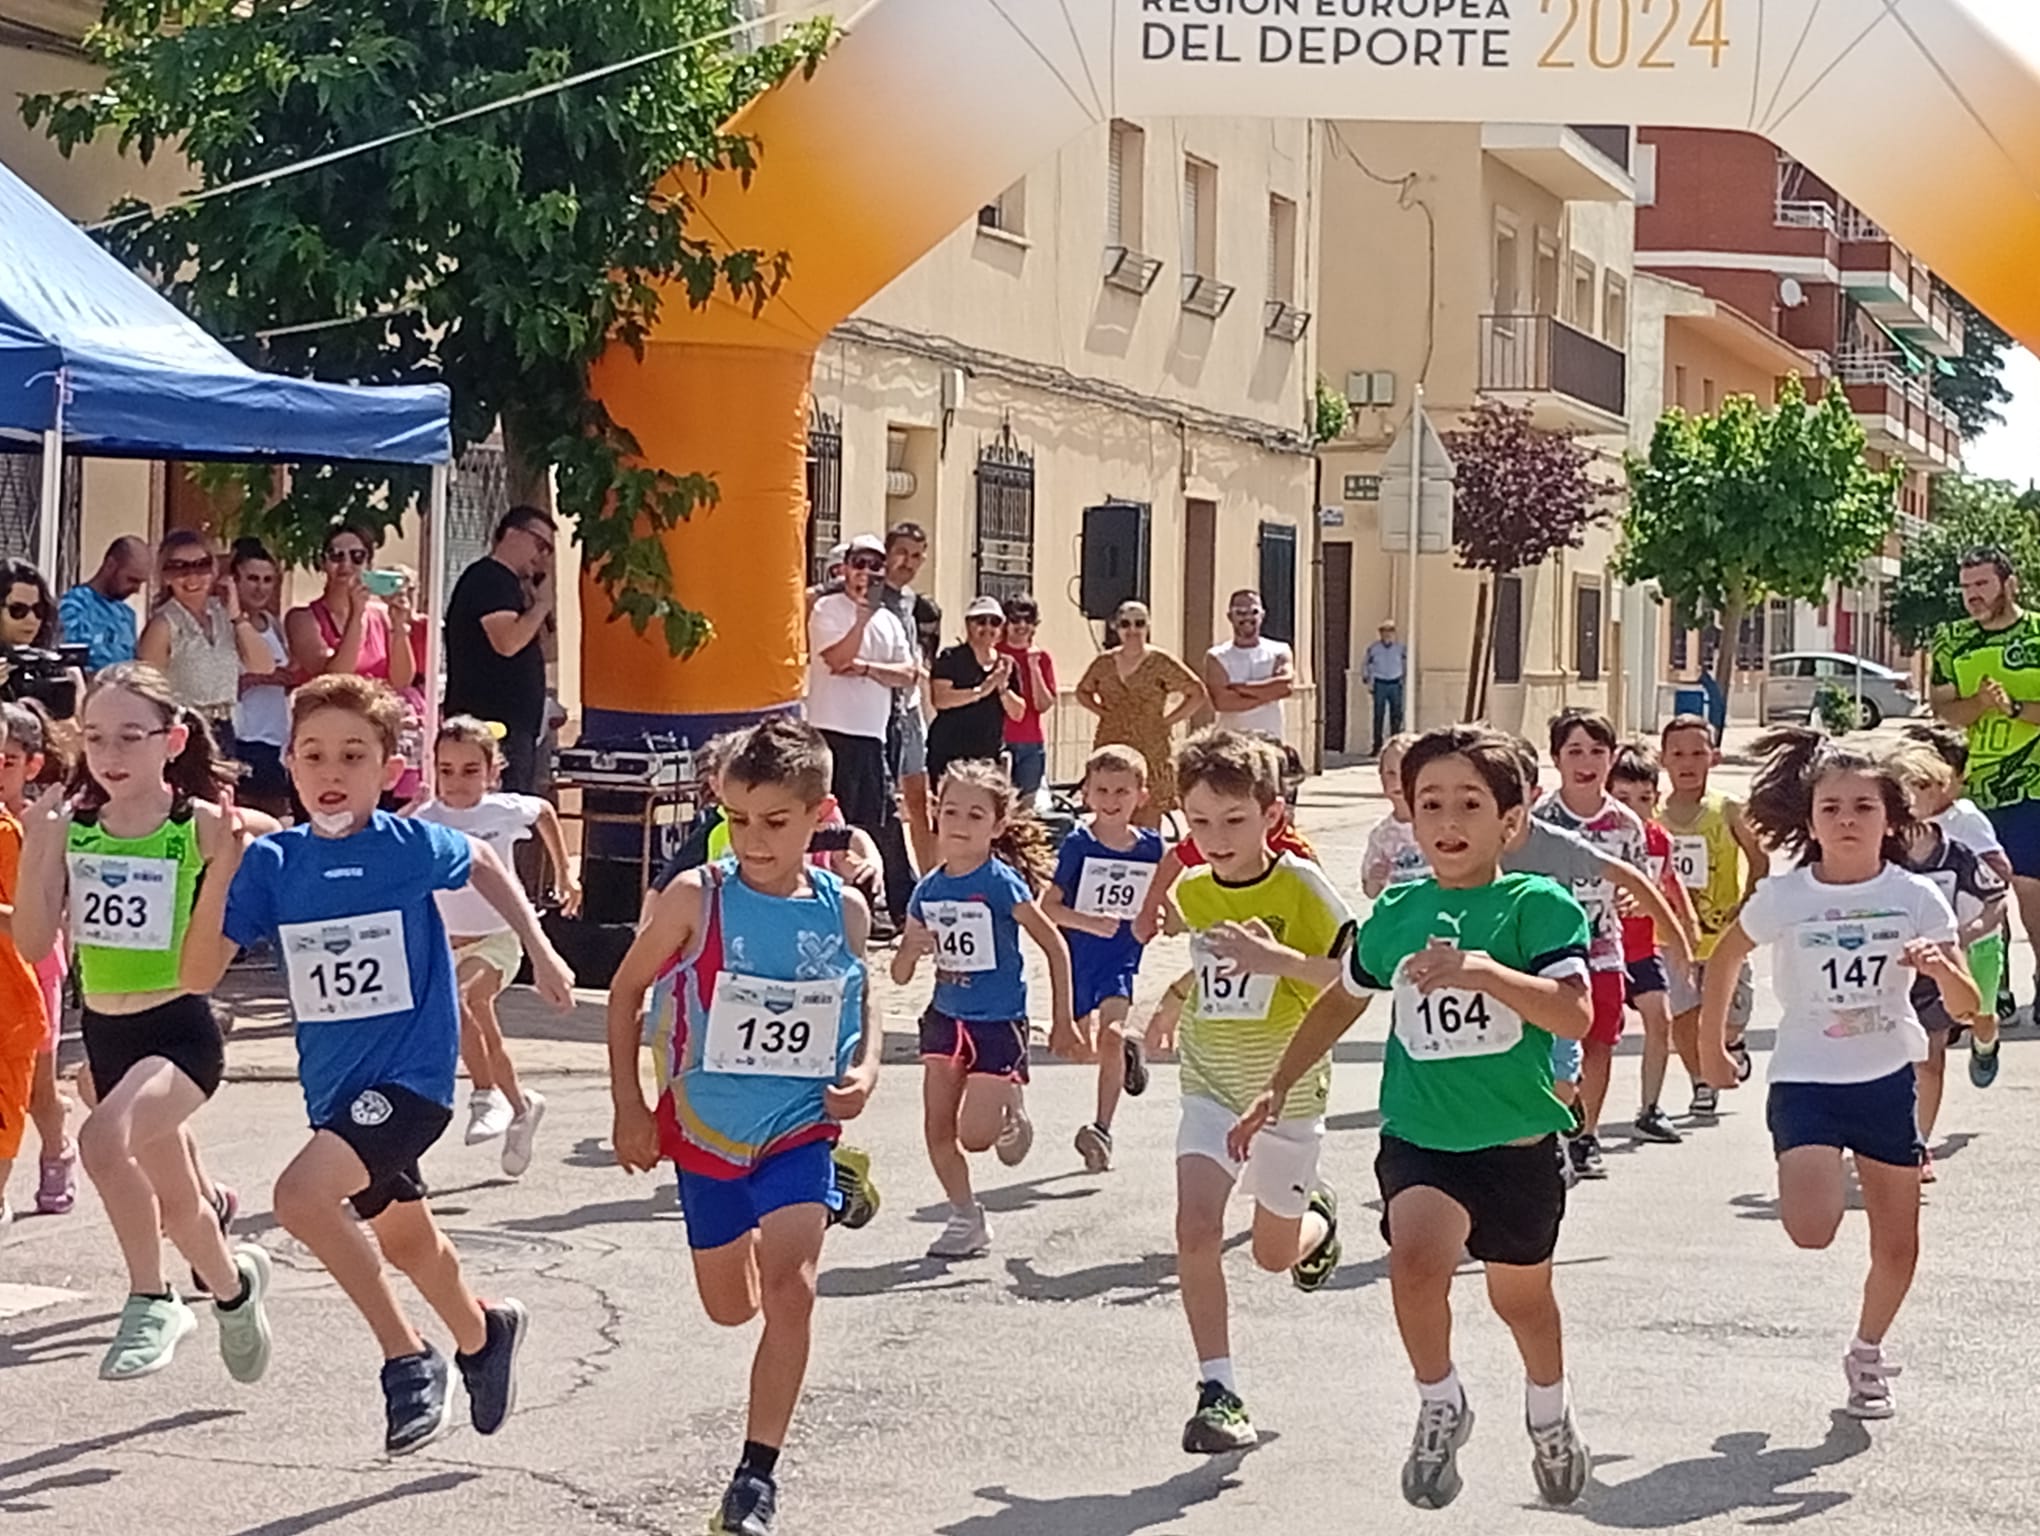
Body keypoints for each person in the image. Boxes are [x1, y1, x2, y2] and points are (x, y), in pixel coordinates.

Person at [181, 673, 576, 1454]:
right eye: (315, 755)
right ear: (289, 764)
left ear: (387, 769)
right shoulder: (273, 864)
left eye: (353, 756)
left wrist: (542, 948)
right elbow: (197, 976)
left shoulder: (406, 845)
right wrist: (223, 866)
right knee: (408, 1241)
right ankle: (483, 1334)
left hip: (414, 1080)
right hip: (335, 1088)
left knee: (299, 1197)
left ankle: (407, 1357)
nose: (332, 773)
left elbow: (486, 867)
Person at [1235, 726, 1595, 1509]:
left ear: (1512, 819)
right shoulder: (1398, 910)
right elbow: (1343, 996)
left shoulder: (1537, 906)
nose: (1447, 819)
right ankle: (1441, 1401)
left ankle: (1550, 1413)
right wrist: (1278, 1081)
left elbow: (1575, 1015)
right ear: (1409, 815)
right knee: (1416, 1265)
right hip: (1421, 1137)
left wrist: (1483, 970)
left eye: (1470, 802)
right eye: (1430, 802)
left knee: (1520, 1303)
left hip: (1517, 1144)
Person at [608, 717, 882, 1536]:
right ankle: (815, 1204)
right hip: (705, 1128)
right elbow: (625, 996)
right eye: (738, 820)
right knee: (732, 1308)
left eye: (776, 822)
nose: (754, 841)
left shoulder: (846, 908)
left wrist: (865, 1070)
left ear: (817, 813)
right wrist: (629, 1104)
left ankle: (756, 1476)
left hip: (799, 1125)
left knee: (793, 1290)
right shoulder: (698, 896)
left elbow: (859, 1001)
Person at [1697, 728, 1977, 1421]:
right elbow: (1726, 958)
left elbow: (1969, 1005)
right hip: (1808, 1079)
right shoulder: (1787, 898)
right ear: (1812, 820)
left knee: (1898, 1241)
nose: (1847, 820)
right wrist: (1710, 1047)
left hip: (1886, 1079)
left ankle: (1867, 1351)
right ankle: (1802, 1163)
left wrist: (1941, 969)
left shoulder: (1915, 897)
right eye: (1832, 809)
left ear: (1890, 819)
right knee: (1812, 1228)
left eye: (1863, 808)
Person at [14, 663, 277, 1381]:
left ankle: (151, 1297)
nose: (111, 754)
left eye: (132, 736)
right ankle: (232, 1289)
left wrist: (231, 856)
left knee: (102, 1139)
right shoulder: (76, 830)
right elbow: (33, 945)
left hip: (179, 1034)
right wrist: (39, 849)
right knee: (182, 1206)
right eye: (96, 737)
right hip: (105, 1033)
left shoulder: (193, 826)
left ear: (172, 740)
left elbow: (267, 839)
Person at [1165, 729, 1351, 1455]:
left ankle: (1317, 1223)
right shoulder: (1193, 890)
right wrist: (1174, 1001)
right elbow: (1215, 973)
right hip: (1210, 1083)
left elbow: (1355, 981)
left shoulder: (1302, 886)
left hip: (1288, 1093)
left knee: (1273, 1255)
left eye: (1233, 820)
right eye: (1199, 821)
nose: (1215, 837)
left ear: (1271, 816)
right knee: (1195, 1227)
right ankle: (1219, 1390)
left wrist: (1278, 959)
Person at [892, 761, 1075, 1260]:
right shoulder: (928, 888)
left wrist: (1061, 1020)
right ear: (935, 816)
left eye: (975, 815)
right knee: (936, 1128)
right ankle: (965, 1217)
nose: (960, 824)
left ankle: (1010, 1106)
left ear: (996, 827)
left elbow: (1053, 945)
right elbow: (900, 975)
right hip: (945, 1018)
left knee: (975, 1137)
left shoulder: (1000, 883)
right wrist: (910, 949)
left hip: (997, 1020)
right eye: (950, 811)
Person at [412, 717, 583, 1177]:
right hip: (445, 943)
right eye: (446, 770)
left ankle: (484, 1094)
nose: (457, 781)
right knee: (481, 1026)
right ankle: (522, 1105)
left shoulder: (503, 810)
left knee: (462, 999)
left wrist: (566, 872)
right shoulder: (423, 819)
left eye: (470, 770)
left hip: (498, 938)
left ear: (492, 771)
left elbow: (545, 813)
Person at [1534, 710, 1649, 1181]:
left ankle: (1587, 1135)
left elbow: (1644, 884)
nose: (1586, 762)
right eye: (1575, 751)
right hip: (1546, 956)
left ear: (1612, 757)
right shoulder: (1539, 819)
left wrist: (1631, 896)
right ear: (1556, 758)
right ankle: (1543, 1132)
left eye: (1597, 751)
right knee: (1547, 1047)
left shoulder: (1625, 823)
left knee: (1600, 1043)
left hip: (1602, 952)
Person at [1042, 745, 1165, 1173]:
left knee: (1110, 1034)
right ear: (1087, 794)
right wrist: (1087, 921)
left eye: (1122, 791)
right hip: (1079, 958)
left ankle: (1102, 1128)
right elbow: (1048, 907)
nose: (1112, 800)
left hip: (1121, 957)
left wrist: (1160, 917)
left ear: (1141, 796)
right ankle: (1127, 1053)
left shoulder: (1152, 848)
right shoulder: (1078, 844)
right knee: (1085, 1051)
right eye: (1103, 791)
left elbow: (1162, 904)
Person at [1929, 546, 2040, 1018]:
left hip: (2033, 784)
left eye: (1982, 584)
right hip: (1973, 788)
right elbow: (1942, 707)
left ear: (2008, 584)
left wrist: (2014, 708)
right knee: (1980, 891)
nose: (1972, 595)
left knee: (2031, 887)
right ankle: (1997, 987)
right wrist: (1978, 703)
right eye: (1966, 586)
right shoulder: (1951, 640)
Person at [1887, 741, 2006, 1178]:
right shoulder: (1879, 855)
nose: (1908, 799)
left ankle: (1917, 1145)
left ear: (1936, 789)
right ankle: (1886, 1134)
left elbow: (1996, 899)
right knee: (1891, 1061)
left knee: (1931, 1057)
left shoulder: (1957, 853)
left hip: (1940, 971)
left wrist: (1969, 934)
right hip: (1887, 974)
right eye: (1898, 790)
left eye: (1917, 787)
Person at [1659, 713, 1769, 1114]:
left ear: (1714, 757)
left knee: (1732, 1014)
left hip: (1725, 932)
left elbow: (1759, 858)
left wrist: (1749, 902)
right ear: (1663, 760)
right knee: (1684, 1015)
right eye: (1678, 754)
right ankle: (1701, 1080)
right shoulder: (1652, 815)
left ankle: (1731, 1043)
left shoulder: (1728, 809)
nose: (1687, 762)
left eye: (1697, 753)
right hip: (1670, 935)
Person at [1607, 744, 1702, 1146]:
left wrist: (1687, 919)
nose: (1635, 808)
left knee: (1659, 1020)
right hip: (1603, 951)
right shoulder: (1597, 838)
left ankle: (1650, 1107)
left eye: (1644, 799)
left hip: (1644, 949)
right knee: (1593, 1038)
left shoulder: (1658, 839)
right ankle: (1573, 1107)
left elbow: (1668, 881)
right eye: (1624, 798)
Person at [1, 703, 75, 1217]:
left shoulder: (37, 823)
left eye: (8, 759)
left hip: (35, 966)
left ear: (32, 764)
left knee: (38, 1089)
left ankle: (57, 1148)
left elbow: (43, 912)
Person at [1902, 721, 2017, 1028]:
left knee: (1981, 1016)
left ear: (1959, 777)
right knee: (1936, 1024)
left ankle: (1984, 1043)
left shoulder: (1964, 818)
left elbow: (2001, 871)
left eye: (1939, 778)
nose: (1925, 788)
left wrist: (1966, 866)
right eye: (1917, 779)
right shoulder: (1900, 823)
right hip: (1929, 940)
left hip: (1977, 936)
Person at [805, 534, 917, 840]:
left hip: (872, 737)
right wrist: (860, 622)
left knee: (874, 826)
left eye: (875, 565)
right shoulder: (826, 609)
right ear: (846, 568)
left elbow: (908, 674)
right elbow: (838, 660)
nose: (866, 572)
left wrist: (867, 668)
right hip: (830, 734)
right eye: (859, 563)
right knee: (831, 825)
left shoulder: (890, 621)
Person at [444, 506, 558, 796]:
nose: (542, 556)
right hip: (490, 726)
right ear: (511, 534)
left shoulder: (510, 586)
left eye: (549, 551)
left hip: (513, 727)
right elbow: (507, 642)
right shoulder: (490, 579)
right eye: (539, 544)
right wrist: (542, 606)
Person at [138, 531, 272, 761]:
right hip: (185, 731)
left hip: (225, 728)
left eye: (202, 566)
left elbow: (264, 665)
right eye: (179, 568)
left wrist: (237, 615)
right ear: (166, 576)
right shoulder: (163, 625)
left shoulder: (222, 616)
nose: (192, 578)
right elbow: (148, 692)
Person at [1074, 600, 1207, 828]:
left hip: (1151, 746)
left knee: (1148, 813)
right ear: (1116, 627)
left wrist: (1168, 721)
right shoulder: (1104, 662)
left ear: (1148, 627)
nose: (1133, 630)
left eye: (1139, 623)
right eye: (1125, 624)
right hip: (1112, 742)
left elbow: (1196, 692)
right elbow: (1083, 691)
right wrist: (1103, 712)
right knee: (1110, 811)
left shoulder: (1159, 661)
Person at [287, 521, 417, 703]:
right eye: (336, 556)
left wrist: (399, 627)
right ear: (323, 563)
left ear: (369, 564)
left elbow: (401, 682)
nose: (346, 564)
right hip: (325, 721)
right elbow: (335, 678)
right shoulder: (303, 618)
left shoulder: (381, 616)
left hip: (374, 721)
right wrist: (357, 615)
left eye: (357, 556)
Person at [875, 523, 936, 878]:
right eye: (902, 553)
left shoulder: (911, 600)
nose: (908, 562)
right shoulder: (871, 594)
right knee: (886, 803)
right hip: (878, 710)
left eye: (916, 556)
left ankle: (928, 878)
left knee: (919, 797)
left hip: (909, 709)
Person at [926, 596, 1024, 787]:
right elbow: (940, 699)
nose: (988, 628)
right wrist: (982, 690)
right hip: (949, 754)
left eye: (994, 622)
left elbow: (1018, 712)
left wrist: (1002, 688)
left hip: (988, 756)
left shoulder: (1007, 664)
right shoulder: (950, 658)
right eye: (981, 621)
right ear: (969, 624)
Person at [228, 541, 295, 817]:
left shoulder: (272, 621)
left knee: (276, 817)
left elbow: (289, 672)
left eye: (268, 580)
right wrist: (263, 677)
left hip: (276, 738)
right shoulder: (228, 624)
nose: (260, 587)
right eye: (252, 579)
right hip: (243, 735)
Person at [1202, 589, 1295, 738]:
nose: (1248, 617)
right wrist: (1268, 693)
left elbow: (1284, 687)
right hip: (1231, 744)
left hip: (1271, 741)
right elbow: (1222, 702)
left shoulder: (1280, 650)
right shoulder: (1216, 656)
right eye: (1240, 612)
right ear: (1230, 616)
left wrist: (1240, 688)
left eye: (1254, 611)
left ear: (1262, 615)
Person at [60, 536, 151, 674]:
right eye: (132, 580)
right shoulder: (73, 606)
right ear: (110, 565)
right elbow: (70, 664)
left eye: (140, 583)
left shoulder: (127, 615)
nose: (136, 589)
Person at [997, 594, 1058, 799]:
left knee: (1026, 809)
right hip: (999, 740)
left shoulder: (1042, 658)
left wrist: (1034, 668)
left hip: (1031, 742)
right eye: (1015, 619)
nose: (1022, 625)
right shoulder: (994, 654)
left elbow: (1043, 705)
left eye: (1028, 620)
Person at [1362, 733, 1428, 897]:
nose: (1398, 781)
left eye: (1405, 772)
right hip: (1398, 914)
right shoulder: (1381, 835)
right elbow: (1370, 892)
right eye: (1390, 773)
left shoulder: (1438, 825)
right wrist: (1374, 879)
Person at [1362, 619, 1407, 756]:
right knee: (1378, 716)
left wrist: (1404, 679)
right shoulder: (1374, 649)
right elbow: (1366, 664)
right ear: (1380, 634)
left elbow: (1405, 664)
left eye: (1390, 631)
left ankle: (1396, 745)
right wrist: (1367, 679)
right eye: (1384, 632)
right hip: (1380, 683)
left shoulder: (1400, 648)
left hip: (1395, 683)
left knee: (1396, 715)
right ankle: (1377, 746)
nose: (1387, 635)